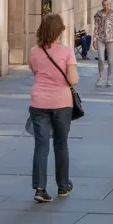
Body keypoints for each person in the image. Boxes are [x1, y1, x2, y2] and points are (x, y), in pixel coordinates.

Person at [28, 13, 78, 202]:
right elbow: (73, 80)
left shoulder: (34, 51)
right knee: (61, 144)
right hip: (61, 103)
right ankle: (63, 186)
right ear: (59, 31)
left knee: (41, 146)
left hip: (39, 102)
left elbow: (34, 71)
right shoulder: (67, 51)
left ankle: (40, 188)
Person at [93, 0, 113, 87]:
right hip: (100, 39)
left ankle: (109, 78)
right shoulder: (98, 14)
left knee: (110, 60)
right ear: (102, 5)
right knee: (101, 59)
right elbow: (96, 27)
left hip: (111, 39)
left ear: (109, 5)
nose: (106, 6)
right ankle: (101, 77)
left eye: (107, 4)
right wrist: (94, 40)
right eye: (104, 4)